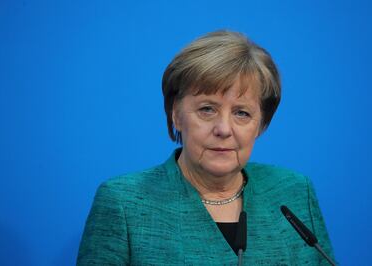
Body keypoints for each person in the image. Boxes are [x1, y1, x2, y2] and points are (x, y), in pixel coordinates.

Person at [77, 30, 336, 265]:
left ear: (261, 124)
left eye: (242, 113)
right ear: (176, 115)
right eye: (207, 109)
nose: (224, 129)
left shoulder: (294, 192)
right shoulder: (123, 203)